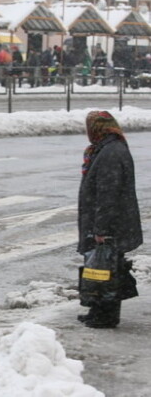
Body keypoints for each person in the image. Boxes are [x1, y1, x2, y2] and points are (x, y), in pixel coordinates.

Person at [77, 110, 143, 329]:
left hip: (111, 224)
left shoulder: (111, 152)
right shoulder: (105, 148)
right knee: (101, 267)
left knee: (108, 269)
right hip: (109, 221)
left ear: (98, 129)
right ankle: (97, 309)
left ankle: (106, 315)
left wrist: (102, 228)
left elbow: (109, 193)